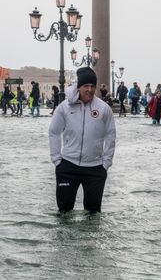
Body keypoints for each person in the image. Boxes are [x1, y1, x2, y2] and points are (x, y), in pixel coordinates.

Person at [49, 67, 116, 213]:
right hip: (68, 166)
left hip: (95, 168)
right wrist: (57, 161)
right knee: (64, 213)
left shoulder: (104, 109)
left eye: (93, 86)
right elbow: (54, 132)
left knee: (93, 215)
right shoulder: (64, 108)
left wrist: (106, 163)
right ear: (78, 87)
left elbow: (111, 136)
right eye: (86, 86)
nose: (90, 90)